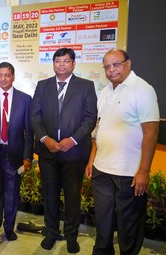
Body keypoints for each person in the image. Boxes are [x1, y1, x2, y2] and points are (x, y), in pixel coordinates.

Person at [85, 49, 159, 255]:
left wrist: (144, 171)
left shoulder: (142, 89)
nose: (111, 70)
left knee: (129, 225)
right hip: (101, 169)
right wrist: (92, 159)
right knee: (103, 218)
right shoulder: (106, 91)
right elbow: (99, 129)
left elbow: (151, 133)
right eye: (107, 66)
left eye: (116, 64)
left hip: (129, 173)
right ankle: (102, 251)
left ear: (128, 63)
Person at [30, 47, 97, 253]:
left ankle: (71, 236)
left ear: (73, 64)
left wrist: (74, 140)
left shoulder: (86, 86)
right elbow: (35, 116)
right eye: (58, 61)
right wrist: (45, 138)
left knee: (72, 196)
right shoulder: (43, 86)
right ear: (53, 64)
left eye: (66, 61)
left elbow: (90, 118)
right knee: (49, 195)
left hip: (74, 153)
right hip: (48, 152)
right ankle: (51, 232)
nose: (61, 64)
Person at [0, 62, 33, 241]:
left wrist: (27, 156)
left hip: (14, 154)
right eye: (0, 75)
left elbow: (29, 131)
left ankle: (9, 228)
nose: (3, 79)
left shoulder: (25, 99)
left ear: (13, 76)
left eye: (7, 75)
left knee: (11, 193)